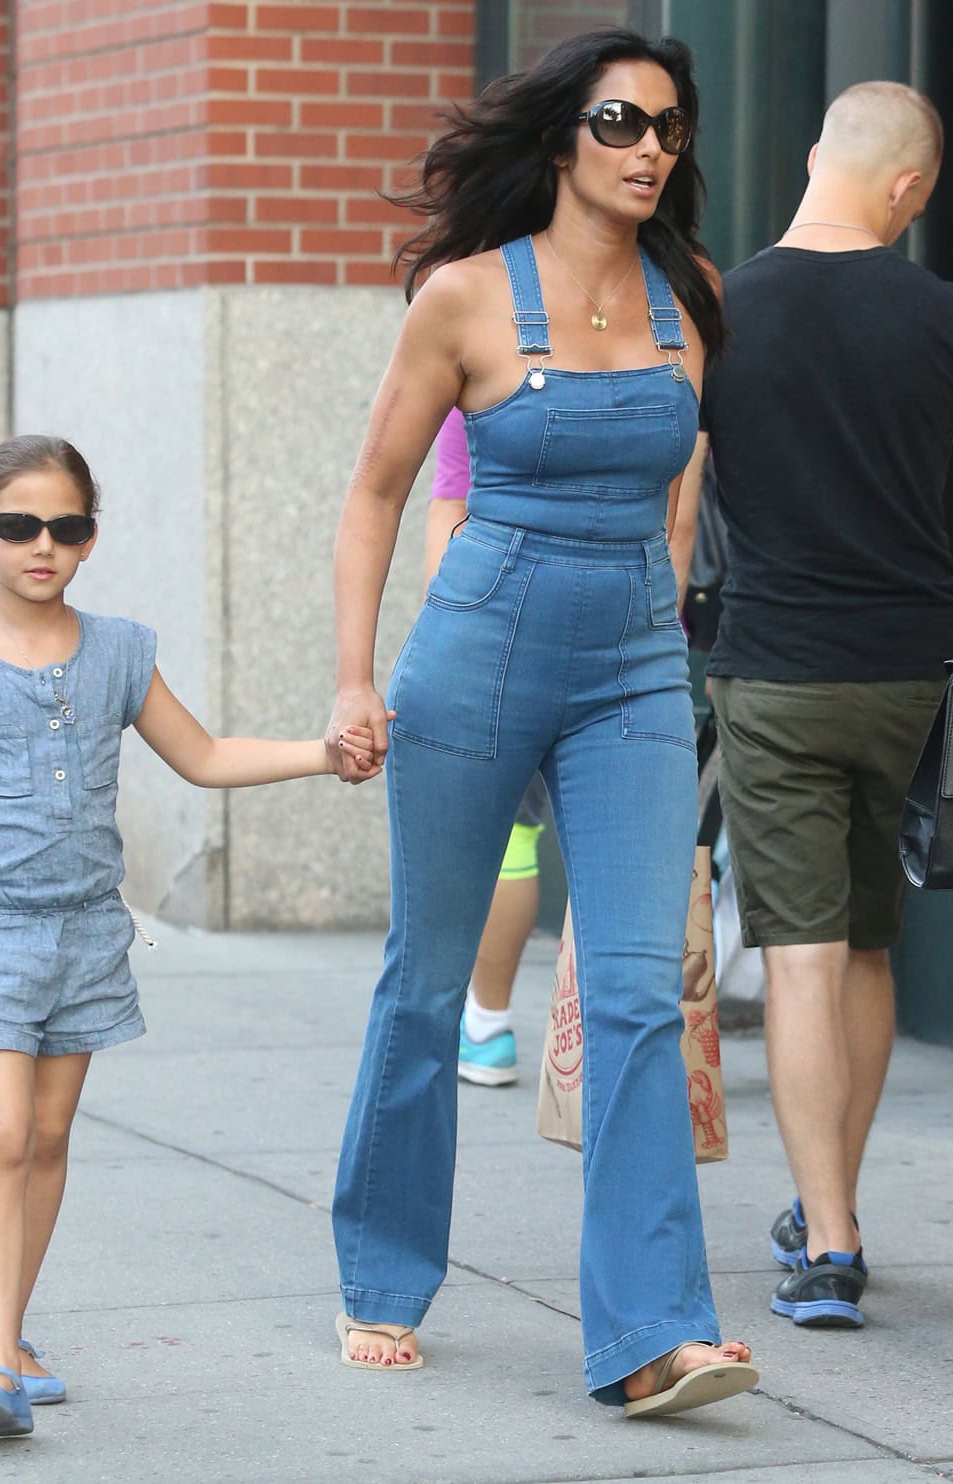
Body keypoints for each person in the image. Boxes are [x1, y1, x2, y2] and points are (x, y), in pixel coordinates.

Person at [322, 28, 757, 1415]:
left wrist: (667, 608)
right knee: (426, 978)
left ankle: (651, 1335)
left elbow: (682, 485)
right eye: (623, 122)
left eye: (670, 131)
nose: (649, 150)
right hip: (482, 651)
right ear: (565, 136)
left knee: (634, 992)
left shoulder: (692, 295)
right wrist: (351, 676)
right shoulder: (460, 299)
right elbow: (377, 493)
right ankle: (384, 1272)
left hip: (634, 664)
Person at [0, 435, 380, 1439]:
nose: (41, 545)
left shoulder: (120, 653)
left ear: (90, 538)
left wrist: (324, 754)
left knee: (48, 1139)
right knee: (1, 1134)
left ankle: (5, 1331)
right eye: (18, 526)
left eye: (67, 526)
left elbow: (206, 754)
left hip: (89, 934)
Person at [701, 82, 953, 1329]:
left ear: (818, 153)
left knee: (802, 954)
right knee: (868, 943)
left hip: (772, 668)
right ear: (911, 189)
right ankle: (836, 1206)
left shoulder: (719, 313)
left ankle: (827, 1240)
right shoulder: (950, 318)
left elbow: (676, 499)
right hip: (908, 674)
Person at [426, 407, 550, 1087]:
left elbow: (451, 508)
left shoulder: (473, 378)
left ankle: (489, 1024)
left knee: (514, 840)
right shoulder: (648, 341)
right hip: (638, 625)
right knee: (613, 853)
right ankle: (609, 1041)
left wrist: (446, 641)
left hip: (505, 633)